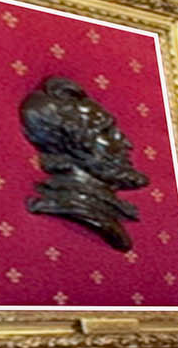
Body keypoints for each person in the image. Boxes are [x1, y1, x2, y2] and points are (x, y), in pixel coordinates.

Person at [21, 75, 150, 252]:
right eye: (106, 132)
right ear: (69, 145)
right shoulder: (77, 207)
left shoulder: (108, 208)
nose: (126, 143)